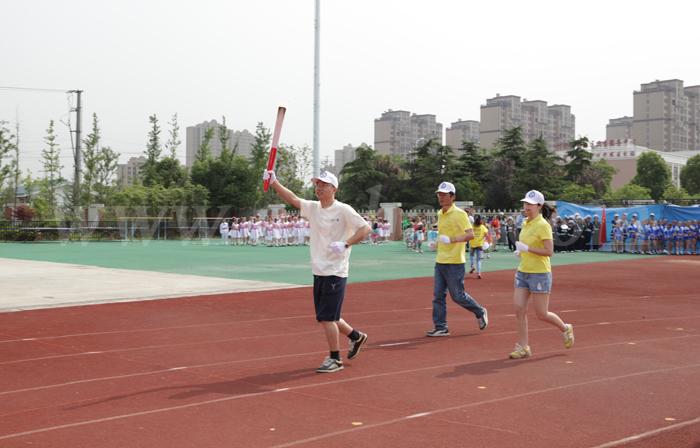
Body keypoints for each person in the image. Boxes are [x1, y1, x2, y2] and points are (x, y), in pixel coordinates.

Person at [264, 169, 371, 373]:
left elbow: (365, 229)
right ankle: (356, 337)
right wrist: (274, 181)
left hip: (335, 270)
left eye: (324, 185)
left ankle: (335, 359)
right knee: (328, 314)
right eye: (317, 184)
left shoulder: (344, 210)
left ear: (334, 189)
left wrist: (346, 244)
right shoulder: (314, 208)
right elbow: (293, 198)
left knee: (327, 318)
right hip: (319, 269)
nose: (319, 188)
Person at [509, 190, 574, 359]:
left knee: (541, 314)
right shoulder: (525, 223)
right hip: (523, 271)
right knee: (519, 309)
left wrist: (527, 249)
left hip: (540, 273)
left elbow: (549, 251)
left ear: (539, 206)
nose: (526, 206)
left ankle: (565, 328)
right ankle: (524, 347)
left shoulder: (543, 225)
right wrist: (520, 252)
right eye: (525, 203)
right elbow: (526, 245)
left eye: (530, 204)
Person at [426, 181, 488, 337]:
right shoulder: (440, 213)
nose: (440, 197)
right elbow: (443, 234)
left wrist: (452, 240)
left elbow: (470, 234)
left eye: (444, 195)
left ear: (452, 197)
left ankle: (480, 311)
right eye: (439, 194)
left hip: (455, 262)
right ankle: (440, 327)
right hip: (440, 260)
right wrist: (436, 243)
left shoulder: (460, 214)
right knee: (438, 296)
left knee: (457, 296)